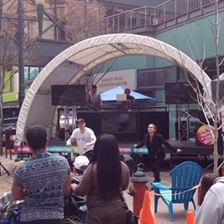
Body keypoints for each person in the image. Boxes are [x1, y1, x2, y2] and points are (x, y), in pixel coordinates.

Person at [11, 125, 71, 224]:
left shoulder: (22, 170)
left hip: (29, 219)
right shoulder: (63, 162)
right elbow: (66, 191)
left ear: (28, 144)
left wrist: (29, 192)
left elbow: (16, 197)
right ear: (46, 141)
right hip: (56, 218)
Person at [71, 134, 130, 224]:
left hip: (97, 214)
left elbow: (81, 191)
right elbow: (125, 187)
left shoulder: (92, 168)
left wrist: (73, 186)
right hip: (119, 212)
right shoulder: (123, 167)